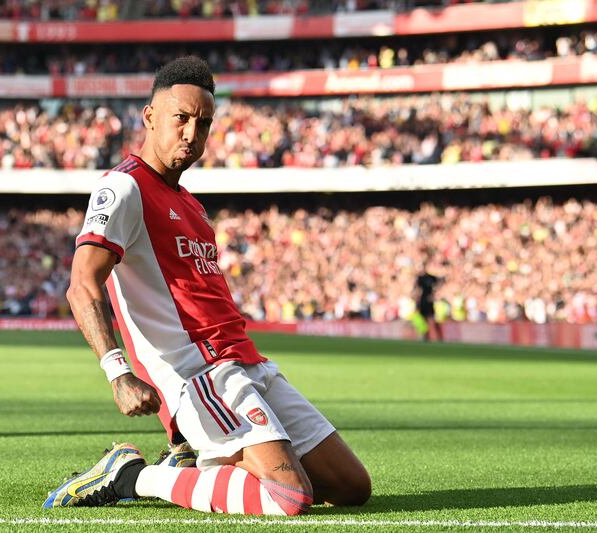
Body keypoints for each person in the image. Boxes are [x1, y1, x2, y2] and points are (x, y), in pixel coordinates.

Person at [43, 56, 371, 515]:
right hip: (200, 375)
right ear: (150, 117)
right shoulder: (123, 188)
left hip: (247, 363)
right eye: (180, 118)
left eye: (203, 123)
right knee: (289, 497)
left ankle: (191, 462)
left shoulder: (192, 206)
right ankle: (133, 476)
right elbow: (82, 284)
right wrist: (117, 372)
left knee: (352, 488)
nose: (191, 134)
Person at [416, 264, 443, 342]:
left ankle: (438, 336)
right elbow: (417, 289)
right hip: (423, 301)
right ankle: (425, 336)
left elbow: (439, 283)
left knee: (432, 319)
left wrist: (434, 294)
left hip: (429, 301)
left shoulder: (432, 277)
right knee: (423, 320)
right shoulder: (420, 278)